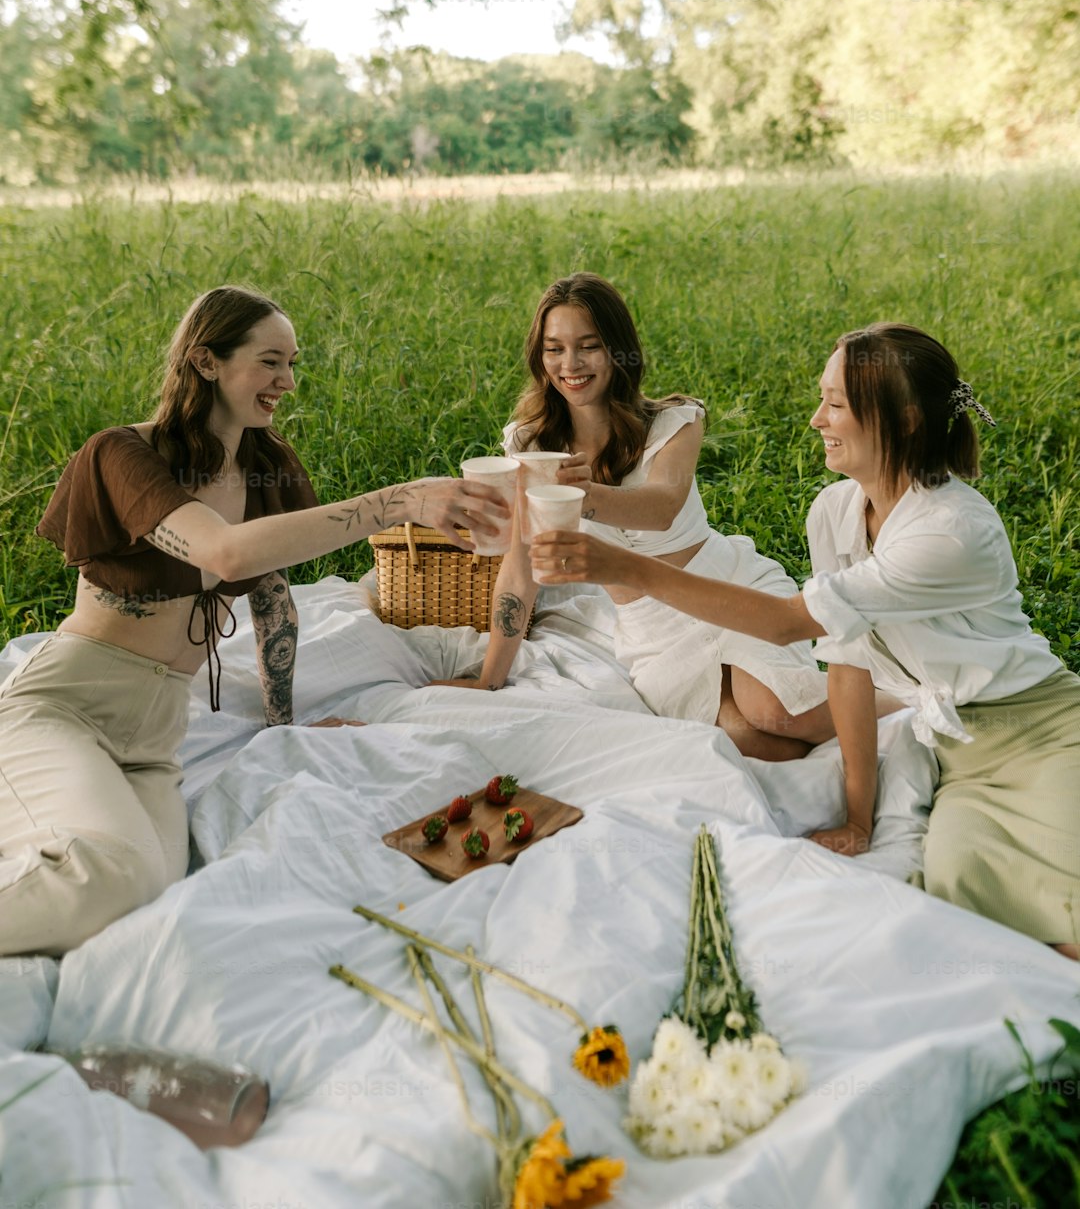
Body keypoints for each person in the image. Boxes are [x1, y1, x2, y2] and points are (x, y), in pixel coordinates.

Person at [535, 321, 1080, 956]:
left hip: (1036, 733)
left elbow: (788, 623)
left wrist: (624, 568)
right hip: (954, 752)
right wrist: (855, 817)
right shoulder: (835, 510)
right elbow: (847, 662)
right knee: (963, 883)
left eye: (837, 405)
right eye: (822, 398)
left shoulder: (950, 531)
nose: (817, 419)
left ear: (904, 421)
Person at [0, 286, 508, 957]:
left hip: (155, 738)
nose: (287, 382)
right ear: (207, 360)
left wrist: (283, 723)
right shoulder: (123, 455)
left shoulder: (268, 467)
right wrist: (402, 500)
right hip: (69, 706)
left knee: (154, 881)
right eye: (271, 361)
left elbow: (270, 600)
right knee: (110, 874)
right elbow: (223, 551)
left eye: (293, 363)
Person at [437, 273, 848, 759]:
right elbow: (519, 566)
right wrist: (490, 678)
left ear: (618, 350)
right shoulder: (529, 447)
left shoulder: (674, 422)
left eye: (588, 346)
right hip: (652, 630)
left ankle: (918, 712)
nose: (570, 364)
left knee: (776, 712)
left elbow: (661, 506)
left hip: (726, 587)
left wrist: (576, 494)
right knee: (747, 741)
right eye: (554, 349)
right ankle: (859, 735)